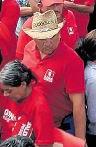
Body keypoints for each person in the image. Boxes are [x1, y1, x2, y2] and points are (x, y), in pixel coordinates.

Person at [21, 10, 86, 139]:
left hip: (61, 128)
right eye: (42, 39)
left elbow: (78, 105)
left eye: (52, 36)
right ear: (34, 37)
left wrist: (80, 140)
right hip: (32, 124)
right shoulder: (28, 48)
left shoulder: (72, 61)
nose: (48, 43)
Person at [0, 61, 55, 146]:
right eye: (3, 90)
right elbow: (1, 119)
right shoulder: (8, 95)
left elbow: (45, 144)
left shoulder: (40, 107)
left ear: (23, 84)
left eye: (8, 91)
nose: (5, 94)